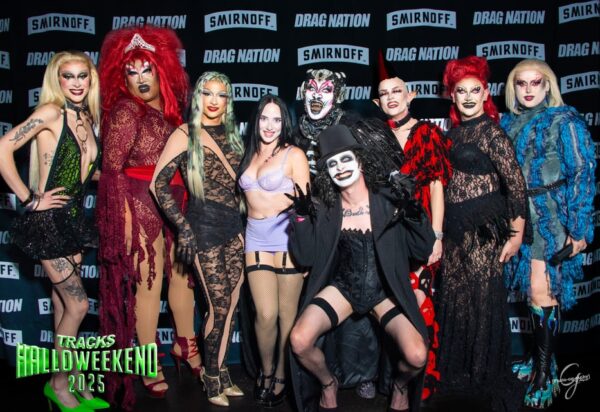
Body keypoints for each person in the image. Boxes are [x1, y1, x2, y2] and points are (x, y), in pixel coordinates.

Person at [288, 124, 435, 412]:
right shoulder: (326, 208)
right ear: (327, 173)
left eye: (346, 159)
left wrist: (415, 214)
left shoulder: (388, 201)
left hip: (384, 292)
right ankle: (328, 383)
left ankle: (399, 385)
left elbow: (422, 249)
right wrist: (302, 219)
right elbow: (305, 257)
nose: (340, 168)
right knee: (299, 340)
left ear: (360, 161)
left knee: (417, 355)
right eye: (332, 164)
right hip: (343, 288)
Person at [0, 51, 108, 411]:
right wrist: (29, 199)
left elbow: (82, 171)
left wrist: (117, 178)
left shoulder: (87, 118)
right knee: (79, 304)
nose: (76, 83)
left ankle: (75, 379)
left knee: (64, 305)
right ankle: (58, 384)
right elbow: (2, 148)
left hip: (73, 223)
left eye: (82, 76)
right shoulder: (51, 113)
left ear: (91, 79)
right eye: (68, 76)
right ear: (57, 80)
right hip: (47, 224)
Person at [95, 26, 194, 409]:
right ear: (121, 77)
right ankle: (148, 361)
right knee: (149, 285)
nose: (140, 79)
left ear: (160, 70)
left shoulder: (171, 109)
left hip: (175, 201)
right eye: (131, 71)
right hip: (139, 204)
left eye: (146, 69)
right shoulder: (125, 110)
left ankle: (186, 345)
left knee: (182, 278)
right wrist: (122, 220)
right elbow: (112, 171)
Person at [501, 59, 596, 409]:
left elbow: (583, 173)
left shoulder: (564, 121)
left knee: (542, 290)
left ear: (547, 86)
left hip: (551, 215)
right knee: (531, 291)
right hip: (519, 216)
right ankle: (539, 358)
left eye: (535, 83)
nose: (528, 90)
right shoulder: (508, 122)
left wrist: (579, 229)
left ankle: (546, 373)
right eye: (521, 83)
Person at [437, 55, 528, 411]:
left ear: (486, 93)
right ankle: (460, 373)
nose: (468, 97)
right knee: (456, 299)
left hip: (484, 229)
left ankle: (485, 374)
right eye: (461, 91)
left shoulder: (492, 132)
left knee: (483, 299)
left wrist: (516, 235)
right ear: (452, 95)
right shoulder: (453, 132)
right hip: (455, 228)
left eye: (475, 90)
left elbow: (515, 185)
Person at [150, 71, 245, 407]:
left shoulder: (234, 136)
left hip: (235, 228)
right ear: (198, 97)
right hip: (203, 228)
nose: (214, 101)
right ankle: (211, 377)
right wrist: (183, 227)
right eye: (207, 93)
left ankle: (222, 371)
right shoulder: (184, 134)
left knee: (231, 307)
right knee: (217, 307)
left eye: (221, 94)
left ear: (228, 100)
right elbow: (157, 184)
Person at [294, 68, 379, 400]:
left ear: (338, 96)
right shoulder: (295, 132)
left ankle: (363, 374)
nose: (317, 96)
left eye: (326, 90)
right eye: (311, 89)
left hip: (348, 223)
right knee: (318, 302)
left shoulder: (352, 126)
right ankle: (324, 376)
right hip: (313, 227)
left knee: (358, 304)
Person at [374, 75, 452, 399]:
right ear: (377, 102)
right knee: (393, 309)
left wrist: (437, 235)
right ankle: (391, 379)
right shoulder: (376, 137)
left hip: (421, 232)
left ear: (411, 96)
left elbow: (436, 187)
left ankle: (415, 380)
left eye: (397, 91)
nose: (391, 97)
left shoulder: (428, 133)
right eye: (384, 94)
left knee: (420, 302)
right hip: (388, 234)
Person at [236, 94, 310, 406]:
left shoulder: (294, 155)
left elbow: (306, 207)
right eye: (264, 118)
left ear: (284, 123)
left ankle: (281, 374)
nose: (269, 125)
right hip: (255, 238)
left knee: (286, 315)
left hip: (286, 239)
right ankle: (265, 370)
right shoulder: (247, 153)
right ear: (256, 121)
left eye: (277, 119)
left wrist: (306, 252)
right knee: (264, 314)